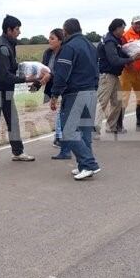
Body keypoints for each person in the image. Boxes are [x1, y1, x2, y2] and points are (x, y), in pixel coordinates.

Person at [0, 15, 36, 171]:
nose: (19, 32)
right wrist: (26, 79)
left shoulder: (9, 44)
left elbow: (12, 66)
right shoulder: (2, 48)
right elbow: (4, 76)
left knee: (13, 121)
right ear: (9, 30)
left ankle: (18, 152)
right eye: (17, 29)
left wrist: (30, 67)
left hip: (6, 91)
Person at [50, 18, 101, 181]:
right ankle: (83, 165)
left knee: (69, 130)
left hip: (75, 93)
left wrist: (54, 94)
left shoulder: (69, 47)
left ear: (65, 31)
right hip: (91, 91)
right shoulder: (90, 46)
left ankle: (89, 164)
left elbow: (62, 74)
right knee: (85, 131)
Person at [31, 28, 70, 159]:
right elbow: (43, 71)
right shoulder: (48, 53)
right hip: (53, 85)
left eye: (52, 38)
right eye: (49, 38)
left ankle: (60, 137)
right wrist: (36, 83)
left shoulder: (66, 52)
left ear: (60, 40)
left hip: (66, 85)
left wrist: (50, 75)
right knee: (60, 111)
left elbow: (62, 71)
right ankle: (60, 137)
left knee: (63, 111)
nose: (50, 40)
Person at [96, 19, 136, 134]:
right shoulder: (110, 41)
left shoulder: (115, 40)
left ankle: (111, 126)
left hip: (113, 76)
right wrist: (131, 59)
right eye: (123, 28)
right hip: (107, 76)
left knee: (118, 101)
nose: (124, 30)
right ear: (117, 28)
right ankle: (94, 129)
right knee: (102, 102)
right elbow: (114, 60)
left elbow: (121, 54)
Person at [122, 15, 140, 128]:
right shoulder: (125, 35)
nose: (139, 25)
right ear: (132, 24)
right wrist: (127, 64)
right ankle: (118, 123)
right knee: (123, 97)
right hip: (126, 71)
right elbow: (121, 52)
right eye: (136, 23)